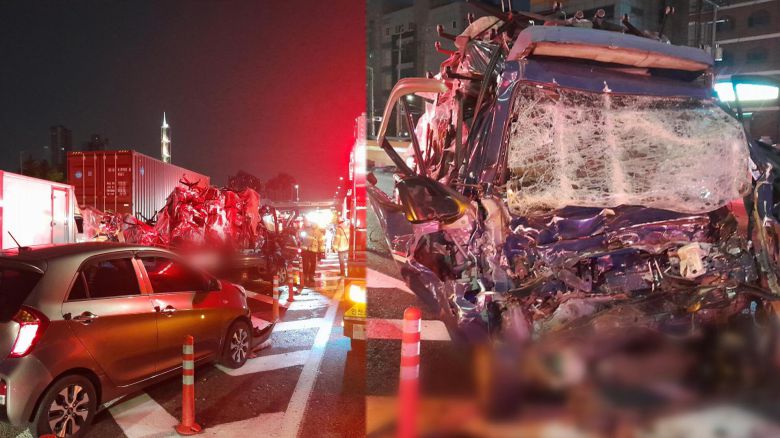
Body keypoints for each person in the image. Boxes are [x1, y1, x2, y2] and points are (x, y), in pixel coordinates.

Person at [301, 220, 323, 287]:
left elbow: (320, 242)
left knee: (312, 263)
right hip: (306, 249)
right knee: (306, 263)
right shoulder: (306, 229)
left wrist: (320, 251)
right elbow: (301, 237)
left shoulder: (318, 232)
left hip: (312, 250)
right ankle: (306, 276)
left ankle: (310, 276)